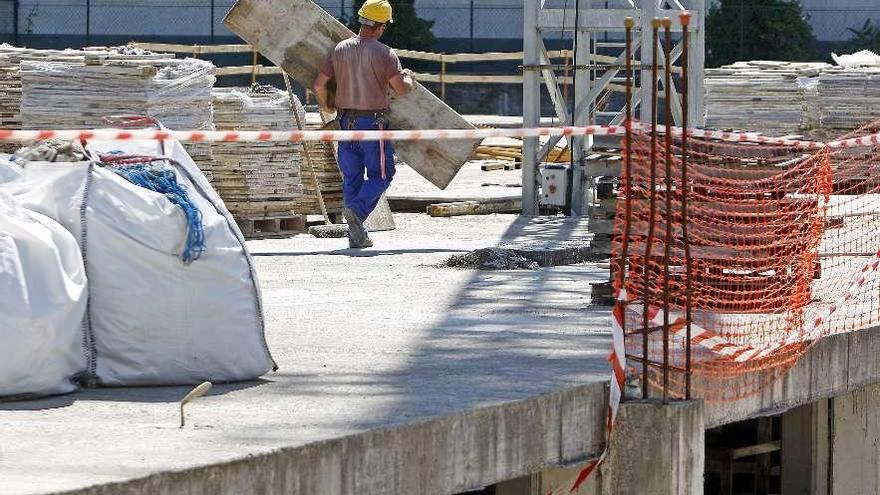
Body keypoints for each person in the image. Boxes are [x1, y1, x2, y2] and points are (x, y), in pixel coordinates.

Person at [312, 0, 415, 249]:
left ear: (362, 20)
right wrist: (409, 78)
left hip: (346, 123)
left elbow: (318, 85)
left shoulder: (339, 49)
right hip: (373, 124)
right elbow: (401, 89)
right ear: (381, 26)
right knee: (382, 174)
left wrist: (327, 108)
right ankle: (356, 212)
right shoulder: (385, 53)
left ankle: (357, 236)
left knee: (352, 178)